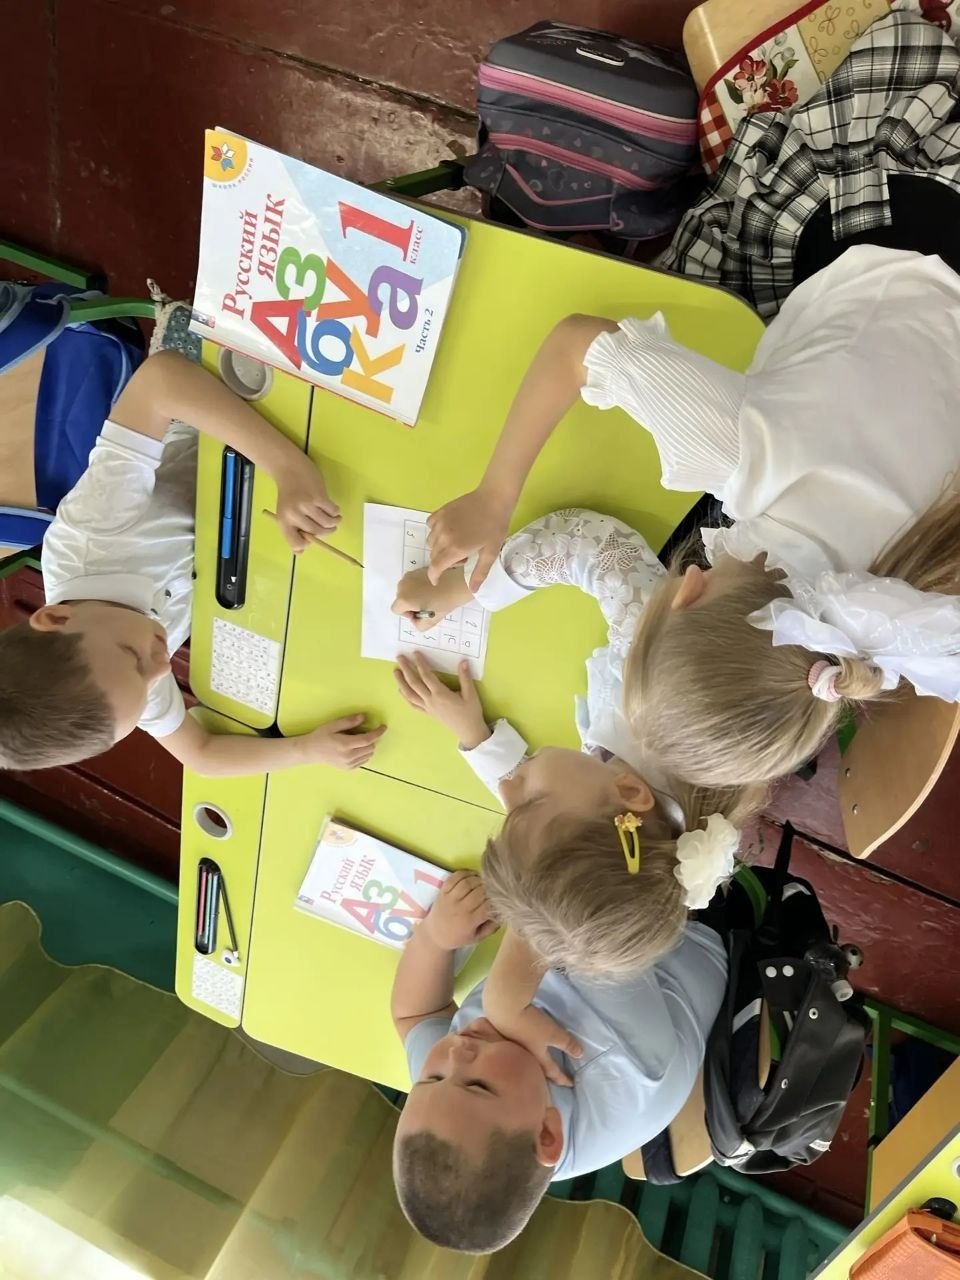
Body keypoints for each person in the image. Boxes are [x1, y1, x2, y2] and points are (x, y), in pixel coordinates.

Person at [420, 246, 960, 788]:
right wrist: (495, 495)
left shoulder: (890, 603)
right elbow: (576, 343)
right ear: (687, 589)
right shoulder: (741, 452)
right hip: (905, 283)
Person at [393, 508, 749, 976]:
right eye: (528, 803)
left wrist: (475, 736)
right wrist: (464, 588)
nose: (506, 789)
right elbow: (595, 545)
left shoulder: (638, 818)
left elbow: (554, 814)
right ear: (628, 793)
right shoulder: (662, 697)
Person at [0, 349, 385, 774]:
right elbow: (200, 754)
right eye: (148, 687)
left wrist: (286, 468)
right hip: (268, 528)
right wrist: (306, 751)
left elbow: (160, 381)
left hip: (241, 421)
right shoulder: (123, 679)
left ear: (55, 618)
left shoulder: (92, 533)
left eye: (133, 657)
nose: (163, 667)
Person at [391, 868, 726, 1253]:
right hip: (684, 912)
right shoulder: (622, 1064)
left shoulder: (466, 1111)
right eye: (478, 1085)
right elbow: (571, 892)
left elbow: (414, 1015)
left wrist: (435, 939)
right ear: (548, 1134)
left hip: (591, 927)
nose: (454, 1053)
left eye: (430, 1078)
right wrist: (505, 999)